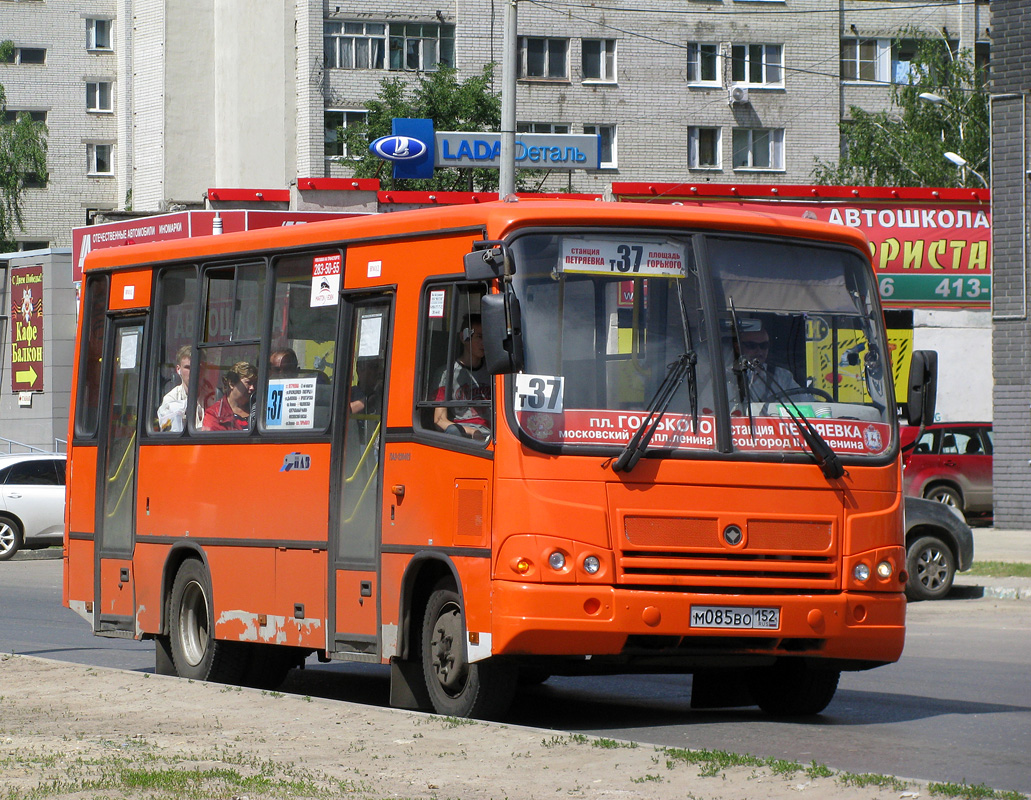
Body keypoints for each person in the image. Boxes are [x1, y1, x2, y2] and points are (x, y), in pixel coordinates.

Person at [433, 315, 491, 439]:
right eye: (479, 337)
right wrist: (471, 432)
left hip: (492, 434)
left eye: (487, 337)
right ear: (464, 337)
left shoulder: (494, 373)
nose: (484, 342)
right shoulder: (446, 374)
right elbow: (439, 420)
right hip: (462, 437)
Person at [737, 326, 811, 403]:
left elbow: (806, 402)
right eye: (752, 346)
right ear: (738, 347)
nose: (759, 351)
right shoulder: (728, 377)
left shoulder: (782, 376)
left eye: (764, 346)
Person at [156, 344, 201, 432]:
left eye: (196, 367)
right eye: (187, 367)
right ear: (178, 369)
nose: (192, 371)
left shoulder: (212, 397)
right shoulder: (170, 399)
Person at [202, 361, 257, 431]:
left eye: (254, 383)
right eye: (248, 383)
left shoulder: (259, 410)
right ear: (232, 384)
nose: (252, 388)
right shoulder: (215, 414)